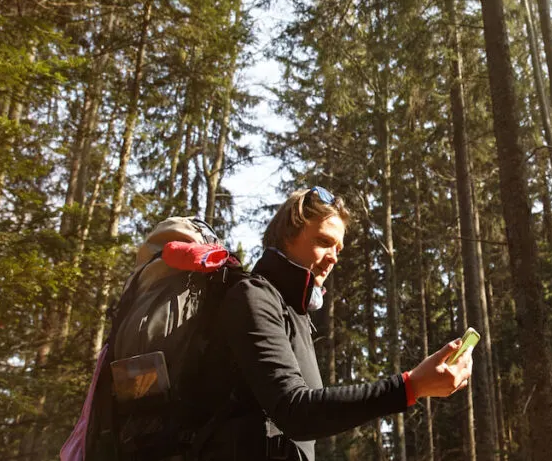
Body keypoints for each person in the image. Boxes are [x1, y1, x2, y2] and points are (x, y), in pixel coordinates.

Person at [193, 186, 472, 460]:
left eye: (338, 248)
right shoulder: (253, 296)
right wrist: (410, 386)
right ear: (290, 233)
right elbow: (294, 411)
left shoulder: (294, 312)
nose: (334, 257)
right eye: (324, 242)